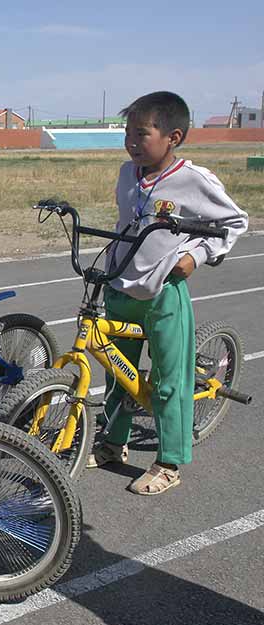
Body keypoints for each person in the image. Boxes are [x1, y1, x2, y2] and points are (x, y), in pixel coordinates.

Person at [87, 91, 247, 495]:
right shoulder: (128, 174)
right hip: (121, 286)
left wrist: (198, 254)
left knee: (168, 380)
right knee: (118, 373)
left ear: (173, 137)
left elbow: (235, 222)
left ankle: (169, 461)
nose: (132, 141)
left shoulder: (193, 180)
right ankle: (112, 443)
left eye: (142, 133)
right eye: (127, 133)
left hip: (163, 293)